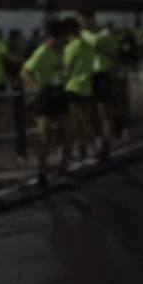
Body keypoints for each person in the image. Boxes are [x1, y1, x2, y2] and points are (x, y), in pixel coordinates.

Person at [21, 20, 71, 186]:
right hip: (47, 95)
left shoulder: (63, 51)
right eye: (65, 36)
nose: (68, 39)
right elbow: (25, 71)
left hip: (61, 93)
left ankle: (64, 171)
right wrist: (37, 88)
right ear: (59, 36)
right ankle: (42, 175)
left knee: (67, 134)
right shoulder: (43, 51)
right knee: (44, 137)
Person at [79, 10, 118, 159]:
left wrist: (113, 73)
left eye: (84, 20)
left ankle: (105, 147)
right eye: (80, 21)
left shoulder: (104, 34)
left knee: (104, 113)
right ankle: (91, 144)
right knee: (87, 114)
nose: (82, 23)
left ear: (92, 18)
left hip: (102, 76)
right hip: (87, 76)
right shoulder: (81, 34)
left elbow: (112, 53)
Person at [62, 17, 100, 161]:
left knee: (76, 122)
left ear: (68, 32)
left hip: (73, 88)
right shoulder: (88, 46)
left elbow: (67, 70)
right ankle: (90, 147)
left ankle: (87, 148)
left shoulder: (70, 47)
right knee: (87, 120)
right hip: (87, 87)